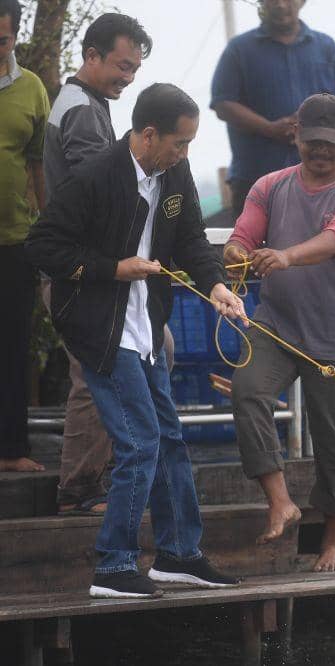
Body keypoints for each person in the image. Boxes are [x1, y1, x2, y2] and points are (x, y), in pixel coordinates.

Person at [26, 83, 245, 598]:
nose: (184, 154)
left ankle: (178, 553)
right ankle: (114, 564)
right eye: (179, 143)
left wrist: (214, 284)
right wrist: (112, 268)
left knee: (169, 437)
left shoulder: (175, 173)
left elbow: (191, 234)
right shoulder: (96, 176)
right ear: (148, 136)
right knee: (140, 441)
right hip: (101, 327)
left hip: (146, 326)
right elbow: (43, 245)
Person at [224, 94, 335, 573]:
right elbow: (243, 235)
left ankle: (332, 541)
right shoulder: (269, 186)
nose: (321, 151)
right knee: (248, 391)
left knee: (334, 442)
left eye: (332, 144)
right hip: (276, 323)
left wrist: (287, 255)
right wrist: (235, 251)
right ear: (296, 136)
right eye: (312, 141)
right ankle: (280, 500)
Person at [42, 12, 156, 516]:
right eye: (121, 65)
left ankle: (105, 475)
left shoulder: (85, 102)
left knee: (148, 351)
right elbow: (101, 192)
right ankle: (81, 486)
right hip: (82, 269)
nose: (128, 78)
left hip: (90, 266)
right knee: (92, 374)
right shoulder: (84, 113)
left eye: (134, 69)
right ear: (91, 55)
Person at [211, 0, 335, 219]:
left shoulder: (327, 47)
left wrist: (320, 123)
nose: (281, 5)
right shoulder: (239, 49)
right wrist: (269, 128)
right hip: (256, 180)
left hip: (324, 178)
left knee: (322, 248)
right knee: (253, 252)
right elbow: (223, 103)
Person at [0, 0, 49, 474]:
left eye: (1, 39)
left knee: (12, 345)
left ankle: (11, 449)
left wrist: (49, 227)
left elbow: (39, 164)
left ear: (15, 36)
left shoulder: (31, 89)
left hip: (13, 239)